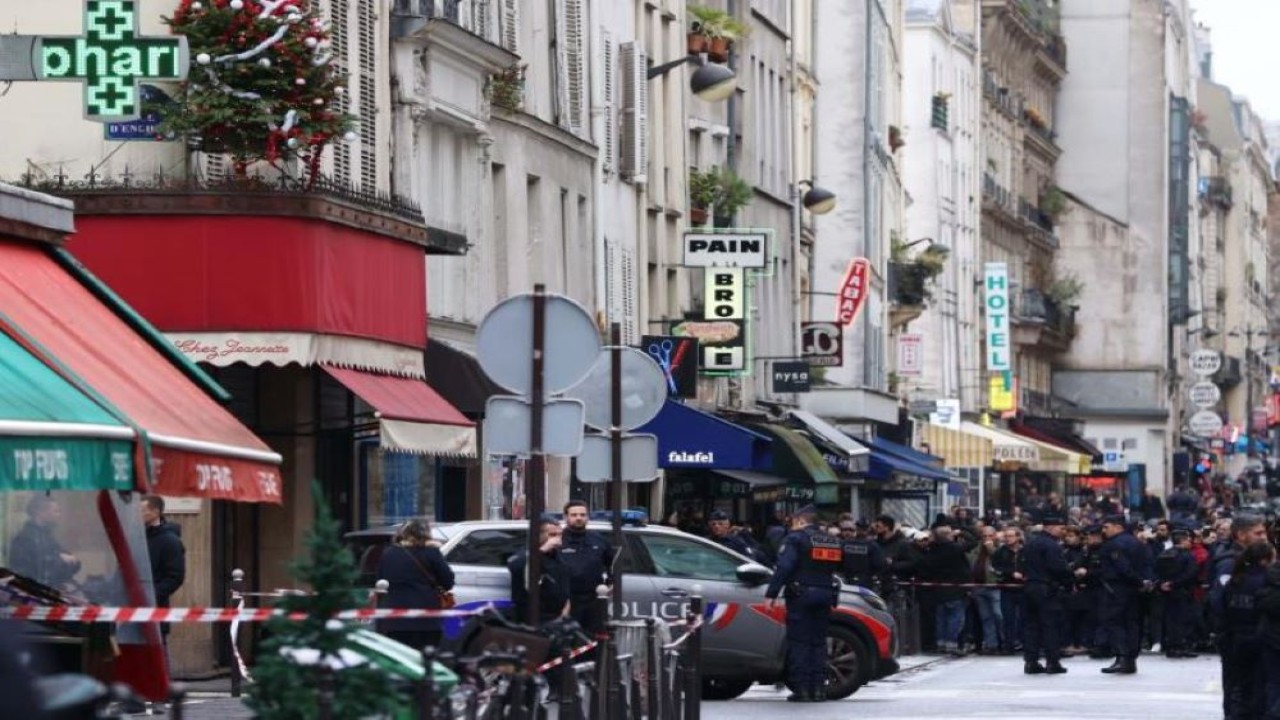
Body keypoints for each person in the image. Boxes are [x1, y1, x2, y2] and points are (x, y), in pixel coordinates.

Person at [765, 505, 840, 703]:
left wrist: (772, 592)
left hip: (801, 595)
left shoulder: (795, 538)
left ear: (800, 520)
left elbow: (785, 566)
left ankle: (802, 689)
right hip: (826, 594)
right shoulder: (831, 540)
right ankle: (818, 689)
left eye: (792, 522)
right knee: (818, 642)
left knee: (800, 642)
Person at [1215, 542, 1274, 719]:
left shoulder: (1236, 579)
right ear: (1265, 560)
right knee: (1259, 685)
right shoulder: (1266, 581)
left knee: (1238, 685)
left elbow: (1221, 606)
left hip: (1235, 637)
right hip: (1259, 637)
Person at [376, 519, 455, 650]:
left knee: (400, 656)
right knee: (425, 658)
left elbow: (380, 580)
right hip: (426, 618)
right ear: (427, 533)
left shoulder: (389, 553)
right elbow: (448, 582)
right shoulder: (431, 552)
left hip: (394, 618)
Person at [1092, 514, 1153, 675]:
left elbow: (1123, 568)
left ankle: (1123, 656)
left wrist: (1137, 581)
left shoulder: (1114, 544)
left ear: (1118, 527)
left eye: (1107, 526)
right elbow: (1147, 564)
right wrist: (1143, 582)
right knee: (1132, 623)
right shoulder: (1137, 543)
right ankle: (1129, 659)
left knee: (1114, 622)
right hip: (1133, 590)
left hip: (1116, 589)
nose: (1103, 530)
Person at [1019, 513, 1079, 674]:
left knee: (1031, 626)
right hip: (1046, 589)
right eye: (1060, 527)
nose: (1063, 531)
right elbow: (1058, 568)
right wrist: (1070, 582)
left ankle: (1031, 662)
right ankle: (1052, 662)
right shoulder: (1051, 545)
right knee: (1050, 626)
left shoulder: (1031, 543)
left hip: (1030, 587)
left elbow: (1021, 564)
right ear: (1051, 527)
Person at [559, 500, 613, 637]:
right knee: (567, 639)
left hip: (593, 600)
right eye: (574, 515)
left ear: (588, 517)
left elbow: (612, 563)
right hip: (566, 600)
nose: (579, 518)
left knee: (593, 638)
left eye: (583, 515)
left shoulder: (599, 540)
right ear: (566, 517)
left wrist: (612, 584)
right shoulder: (558, 539)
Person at [9, 495, 80, 590]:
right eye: (56, 511)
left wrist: (68, 561)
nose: (58, 515)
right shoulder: (25, 538)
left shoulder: (47, 536)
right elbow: (31, 569)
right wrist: (60, 559)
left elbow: (70, 561)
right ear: (40, 512)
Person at [509, 518, 571, 625]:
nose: (557, 538)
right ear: (538, 535)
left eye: (560, 534)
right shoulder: (526, 553)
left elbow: (564, 581)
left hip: (558, 615)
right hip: (533, 616)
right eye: (552, 534)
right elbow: (516, 566)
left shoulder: (558, 556)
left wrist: (567, 605)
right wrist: (543, 549)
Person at [1154, 528, 1199, 658]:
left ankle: (1172, 646)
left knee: (1170, 619)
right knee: (1183, 620)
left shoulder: (1164, 554)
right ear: (1183, 540)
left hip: (1167, 592)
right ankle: (1181, 646)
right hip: (1183, 590)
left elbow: (1156, 570)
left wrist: (1162, 583)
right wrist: (1175, 583)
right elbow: (1191, 573)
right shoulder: (1187, 555)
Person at [837, 521, 887, 591]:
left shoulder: (845, 544)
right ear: (868, 530)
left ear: (856, 529)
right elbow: (879, 564)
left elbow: (838, 561)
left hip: (847, 579)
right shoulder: (872, 545)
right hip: (866, 581)